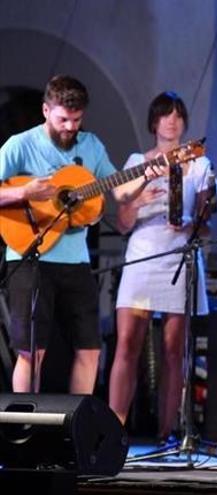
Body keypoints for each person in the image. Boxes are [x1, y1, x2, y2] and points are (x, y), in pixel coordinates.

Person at [0, 75, 122, 394]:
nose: (70, 127)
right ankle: (23, 430)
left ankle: (77, 432)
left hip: (76, 262)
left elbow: (119, 190)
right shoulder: (19, 145)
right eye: (63, 119)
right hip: (29, 257)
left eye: (76, 120)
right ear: (45, 111)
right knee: (31, 351)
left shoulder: (91, 145)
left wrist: (149, 176)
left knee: (90, 347)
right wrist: (24, 191)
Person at [107, 91, 216, 441]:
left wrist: (191, 220)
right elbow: (123, 222)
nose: (173, 121)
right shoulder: (137, 161)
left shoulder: (198, 163)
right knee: (127, 344)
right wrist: (139, 199)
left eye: (178, 115)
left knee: (174, 350)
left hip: (179, 257)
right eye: (166, 115)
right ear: (154, 122)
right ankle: (113, 430)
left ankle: (167, 433)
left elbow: (207, 216)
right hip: (143, 255)